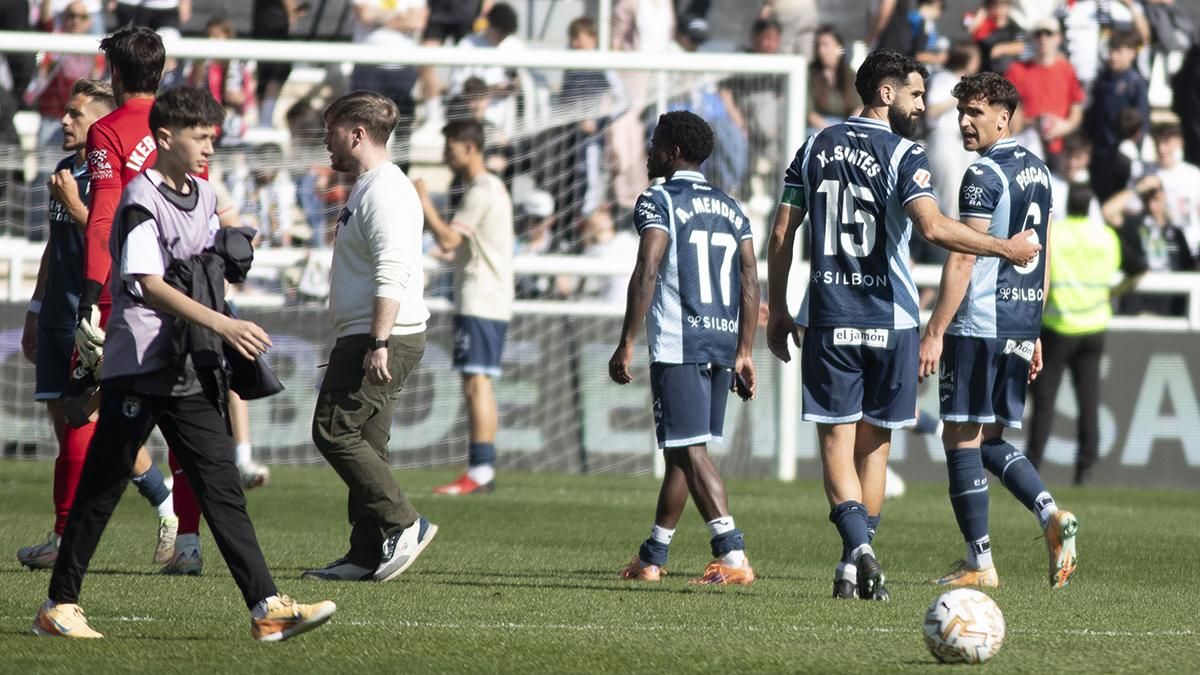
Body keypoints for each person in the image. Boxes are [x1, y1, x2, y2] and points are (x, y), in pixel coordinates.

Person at [33, 86, 336, 642]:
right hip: (141, 364)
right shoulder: (139, 198)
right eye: (200, 137)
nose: (209, 149)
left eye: (212, 138)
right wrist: (224, 324)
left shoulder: (205, 193)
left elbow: (205, 265)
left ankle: (267, 606)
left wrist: (233, 250)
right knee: (102, 488)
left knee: (221, 484)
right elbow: (146, 284)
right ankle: (59, 604)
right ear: (165, 138)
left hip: (188, 365)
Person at [765, 49, 1041, 601]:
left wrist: (777, 309)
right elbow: (934, 228)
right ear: (885, 94)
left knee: (836, 447)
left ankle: (857, 555)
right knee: (875, 449)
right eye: (917, 94)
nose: (923, 105)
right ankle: (857, 555)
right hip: (892, 320)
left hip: (829, 316)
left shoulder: (813, 146)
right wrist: (1002, 247)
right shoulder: (903, 154)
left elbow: (780, 235)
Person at [917, 71, 1078, 590]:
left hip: (979, 321)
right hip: (1018, 321)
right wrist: (1032, 329)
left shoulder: (984, 174)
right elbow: (1044, 252)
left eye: (976, 113)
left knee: (960, 438)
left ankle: (978, 562)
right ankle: (1050, 512)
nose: (964, 121)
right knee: (988, 439)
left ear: (1003, 118)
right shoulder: (1040, 171)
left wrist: (937, 328)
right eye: (962, 111)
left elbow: (965, 255)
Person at [17, 78, 179, 571]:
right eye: (65, 113)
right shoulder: (66, 169)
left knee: (83, 419)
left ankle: (65, 534)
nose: (64, 121)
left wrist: (76, 206)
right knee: (68, 416)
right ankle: (162, 502)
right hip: (58, 309)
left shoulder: (122, 182)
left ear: (103, 123)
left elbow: (121, 243)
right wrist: (36, 307)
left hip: (99, 309)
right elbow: (53, 245)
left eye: (76, 114)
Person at [71, 25, 205, 577]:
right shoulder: (183, 131)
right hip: (187, 287)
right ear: (163, 71)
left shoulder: (108, 131)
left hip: (130, 291)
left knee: (90, 413)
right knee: (187, 418)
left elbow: (105, 214)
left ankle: (68, 551)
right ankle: (189, 540)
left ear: (116, 75)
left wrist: (89, 294)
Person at [608, 110, 758, 585]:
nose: (648, 152)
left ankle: (732, 556)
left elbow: (648, 268)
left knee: (690, 451)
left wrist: (626, 340)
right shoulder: (732, 207)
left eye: (654, 144)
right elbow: (750, 278)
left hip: (679, 340)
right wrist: (745, 350)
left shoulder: (658, 199)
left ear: (673, 153)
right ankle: (653, 556)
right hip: (720, 340)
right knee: (683, 448)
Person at [302, 91, 439, 582]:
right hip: (371, 334)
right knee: (367, 443)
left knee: (334, 431)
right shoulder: (370, 186)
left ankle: (405, 523)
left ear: (357, 134)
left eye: (331, 129)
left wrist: (378, 342)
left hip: (380, 337)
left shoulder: (386, 190)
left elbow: (393, 268)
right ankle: (366, 553)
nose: (325, 140)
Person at [415, 119, 514, 495]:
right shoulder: (485, 188)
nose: (445, 155)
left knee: (477, 381)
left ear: (469, 147)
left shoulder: (483, 189)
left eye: (450, 146)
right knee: (476, 380)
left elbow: (450, 236)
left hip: (482, 296)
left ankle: (482, 470)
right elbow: (458, 244)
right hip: (484, 295)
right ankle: (481, 468)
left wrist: (425, 203)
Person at [1003, 17, 1084, 175]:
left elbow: (1077, 109)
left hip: (1062, 150)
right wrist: (1033, 123)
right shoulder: (1016, 70)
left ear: (1058, 38)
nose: (1043, 39)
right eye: (1038, 34)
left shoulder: (1067, 70)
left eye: (1048, 34)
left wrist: (1065, 126)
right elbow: (1007, 113)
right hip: (1027, 146)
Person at [1105, 175, 1195, 316]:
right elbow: (1108, 212)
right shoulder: (1135, 224)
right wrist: (1139, 188)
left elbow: (1188, 268)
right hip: (1138, 309)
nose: (1152, 200)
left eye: (1156, 194)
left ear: (1164, 195)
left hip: (1169, 311)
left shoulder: (1177, 234)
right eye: (1147, 196)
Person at [1148, 122, 1200, 257]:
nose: (1161, 149)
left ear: (1179, 143)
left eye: (1166, 143)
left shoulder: (1193, 175)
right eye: (1157, 143)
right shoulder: (1146, 174)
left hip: (1192, 246)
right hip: (1160, 248)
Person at [807, 26, 858, 132]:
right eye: (818, 46)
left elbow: (859, 108)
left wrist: (849, 127)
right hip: (818, 128)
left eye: (825, 45)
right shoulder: (810, 73)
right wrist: (831, 131)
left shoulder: (850, 74)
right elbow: (809, 113)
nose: (820, 50)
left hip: (845, 126)